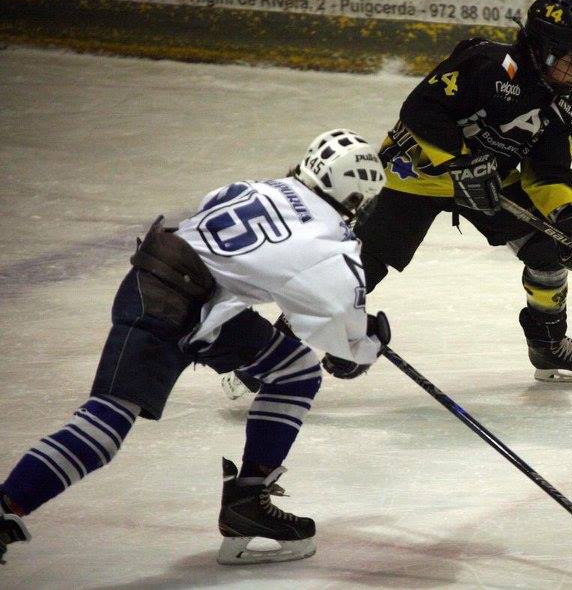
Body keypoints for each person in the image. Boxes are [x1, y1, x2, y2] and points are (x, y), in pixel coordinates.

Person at [0, 129, 389, 565]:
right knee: (106, 424)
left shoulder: (258, 187)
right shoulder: (328, 241)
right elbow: (339, 328)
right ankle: (5, 508)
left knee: (293, 370)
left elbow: (233, 239)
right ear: (355, 198)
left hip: (193, 298)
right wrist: (365, 347)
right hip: (167, 304)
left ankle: (247, 505)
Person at [357, 0, 572, 382]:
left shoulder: (565, 104)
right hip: (419, 175)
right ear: (542, 49)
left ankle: (547, 346)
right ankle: (279, 348)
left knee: (549, 249)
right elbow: (420, 110)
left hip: (490, 181)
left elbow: (547, 174)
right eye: (571, 59)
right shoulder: (486, 64)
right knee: (361, 271)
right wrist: (461, 162)